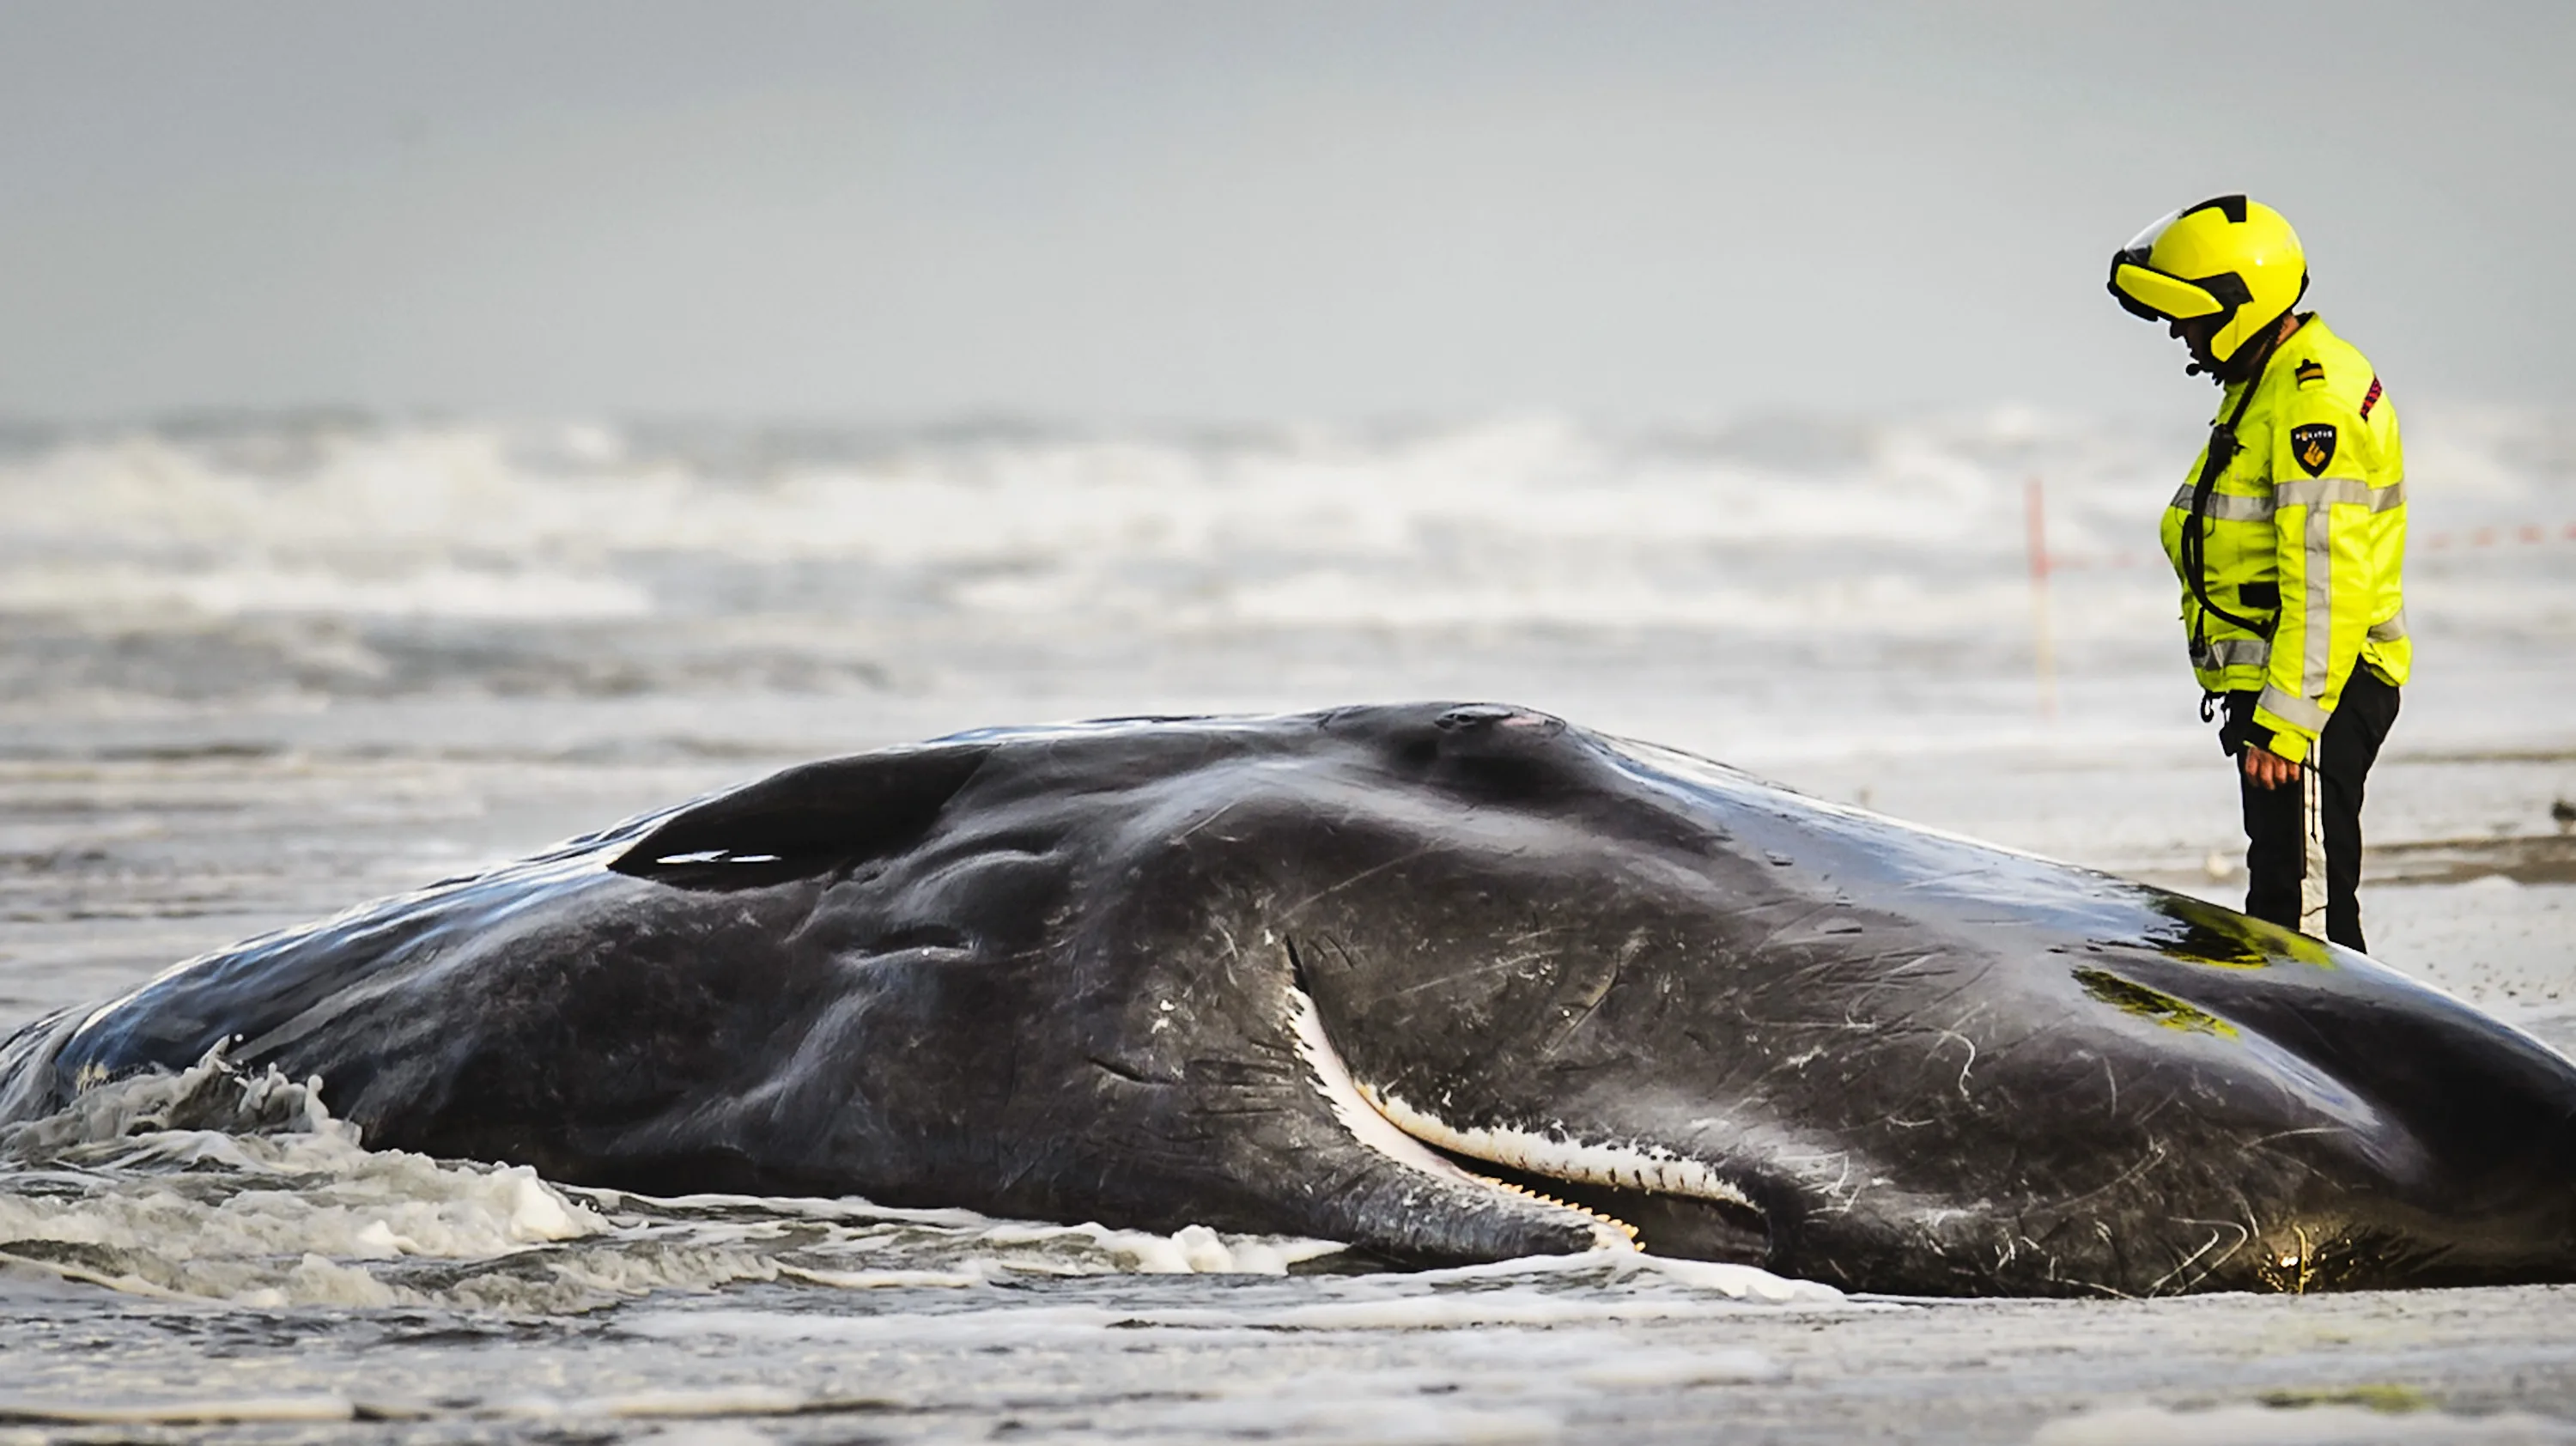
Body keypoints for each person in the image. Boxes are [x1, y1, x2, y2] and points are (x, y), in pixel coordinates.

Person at [2106, 195, 2409, 951]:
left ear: (2240, 307)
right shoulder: (2267, 385)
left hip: (2313, 698)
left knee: (2305, 924)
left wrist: (2285, 724)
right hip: (2288, 693)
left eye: (2193, 317)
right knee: (2285, 897)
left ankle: (2339, 1064)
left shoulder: (2314, 405)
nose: (2181, 333)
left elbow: (2329, 581)